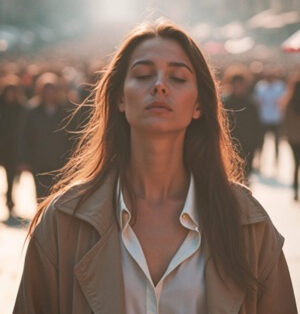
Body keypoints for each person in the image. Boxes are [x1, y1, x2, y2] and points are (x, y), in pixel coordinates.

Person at [13, 20, 297, 313]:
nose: (159, 86)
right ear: (121, 97)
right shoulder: (64, 221)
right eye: (144, 74)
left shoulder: (248, 223)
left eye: (177, 78)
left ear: (199, 104)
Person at [21, 72, 74, 200]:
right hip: (39, 161)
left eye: (52, 90)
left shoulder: (66, 110)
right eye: (46, 90)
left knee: (58, 197)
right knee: (41, 196)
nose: (50, 94)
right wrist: (24, 160)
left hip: (61, 161)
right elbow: (25, 136)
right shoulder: (32, 110)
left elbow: (72, 136)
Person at [223, 72, 261, 179]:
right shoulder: (224, 102)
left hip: (248, 146)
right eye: (236, 84)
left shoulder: (251, 103)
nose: (238, 87)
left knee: (245, 176)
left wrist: (258, 144)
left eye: (240, 84)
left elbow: (257, 125)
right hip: (229, 146)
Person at [0, 75, 26, 217]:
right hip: (2, 147)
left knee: (11, 177)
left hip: (13, 149)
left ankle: (9, 201)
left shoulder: (21, 108)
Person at [254, 70, 286, 167]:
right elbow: (257, 100)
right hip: (263, 118)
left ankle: (276, 161)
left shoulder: (280, 86)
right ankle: (259, 160)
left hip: (276, 118)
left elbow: (284, 100)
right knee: (261, 141)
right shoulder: (260, 86)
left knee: (277, 142)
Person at [283, 78, 300, 201]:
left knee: (296, 164)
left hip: (293, 139)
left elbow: (286, 122)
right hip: (294, 138)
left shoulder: (289, 102)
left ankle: (295, 191)